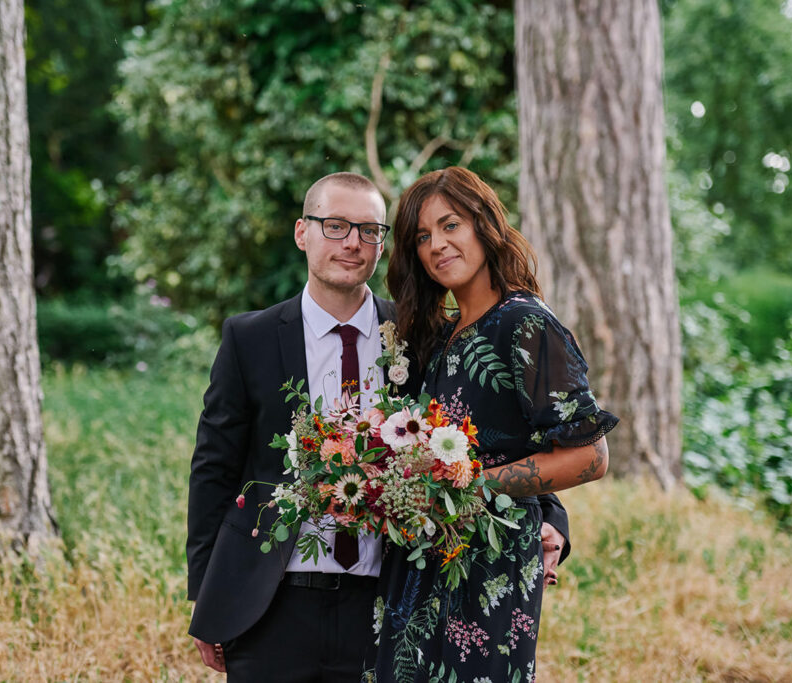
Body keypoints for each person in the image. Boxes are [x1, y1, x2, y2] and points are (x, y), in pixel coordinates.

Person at [187, 171, 572, 682]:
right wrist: (209, 598)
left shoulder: (426, 335)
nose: (353, 243)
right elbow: (214, 470)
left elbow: (490, 433)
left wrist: (551, 515)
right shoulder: (249, 337)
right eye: (336, 226)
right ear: (303, 232)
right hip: (269, 602)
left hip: (388, 602)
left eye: (369, 230)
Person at [369, 167, 619, 683]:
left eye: (451, 225)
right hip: (417, 565)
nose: (437, 244)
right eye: (422, 236)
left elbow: (590, 456)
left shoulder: (524, 322)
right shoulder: (439, 340)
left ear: (483, 225)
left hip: (489, 567)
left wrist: (471, 489)